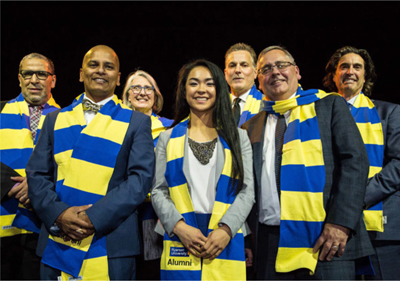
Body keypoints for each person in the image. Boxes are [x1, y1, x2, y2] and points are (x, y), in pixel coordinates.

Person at [242, 45, 373, 280]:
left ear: (297, 71)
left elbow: (356, 163)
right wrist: (246, 238)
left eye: (281, 65)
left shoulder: (329, 105)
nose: (275, 72)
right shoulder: (249, 127)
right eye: (266, 69)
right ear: (258, 81)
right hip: (269, 243)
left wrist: (340, 223)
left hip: (326, 239)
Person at [26, 45, 155, 280]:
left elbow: (140, 181)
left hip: (111, 242)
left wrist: (94, 217)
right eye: (93, 65)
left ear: (118, 78)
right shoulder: (54, 119)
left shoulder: (137, 122)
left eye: (109, 67)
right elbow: (36, 175)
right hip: (57, 240)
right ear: (80, 73)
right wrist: (60, 214)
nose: (100, 71)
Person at [151, 59, 254, 280]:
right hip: (181, 235)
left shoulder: (239, 137)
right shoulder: (167, 138)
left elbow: (247, 191)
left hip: (226, 235)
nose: (201, 90)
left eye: (209, 83)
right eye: (193, 83)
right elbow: (159, 191)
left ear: (218, 88)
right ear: (184, 90)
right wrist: (179, 227)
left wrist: (226, 230)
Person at [324, 46, 400, 280]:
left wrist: (356, 196)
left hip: (381, 227)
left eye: (357, 67)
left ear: (365, 77)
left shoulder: (388, 112)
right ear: (334, 76)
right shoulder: (317, 114)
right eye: (343, 66)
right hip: (330, 224)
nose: (350, 71)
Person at [0, 53, 60, 280]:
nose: (34, 79)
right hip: (3, 225)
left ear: (52, 80)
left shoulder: (69, 119)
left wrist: (36, 186)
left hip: (45, 229)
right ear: (19, 78)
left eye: (42, 74)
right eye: (28, 73)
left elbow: (74, 167)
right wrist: (11, 186)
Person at [122, 70, 173, 280]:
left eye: (148, 88)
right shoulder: (116, 128)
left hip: (158, 217)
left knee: (155, 272)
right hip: (125, 215)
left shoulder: (171, 128)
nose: (142, 92)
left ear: (156, 95)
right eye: (135, 88)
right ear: (126, 96)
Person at [224, 42, 264, 127]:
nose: (237, 70)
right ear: (225, 73)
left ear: (255, 72)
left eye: (244, 65)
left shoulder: (267, 105)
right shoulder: (216, 106)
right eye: (232, 65)